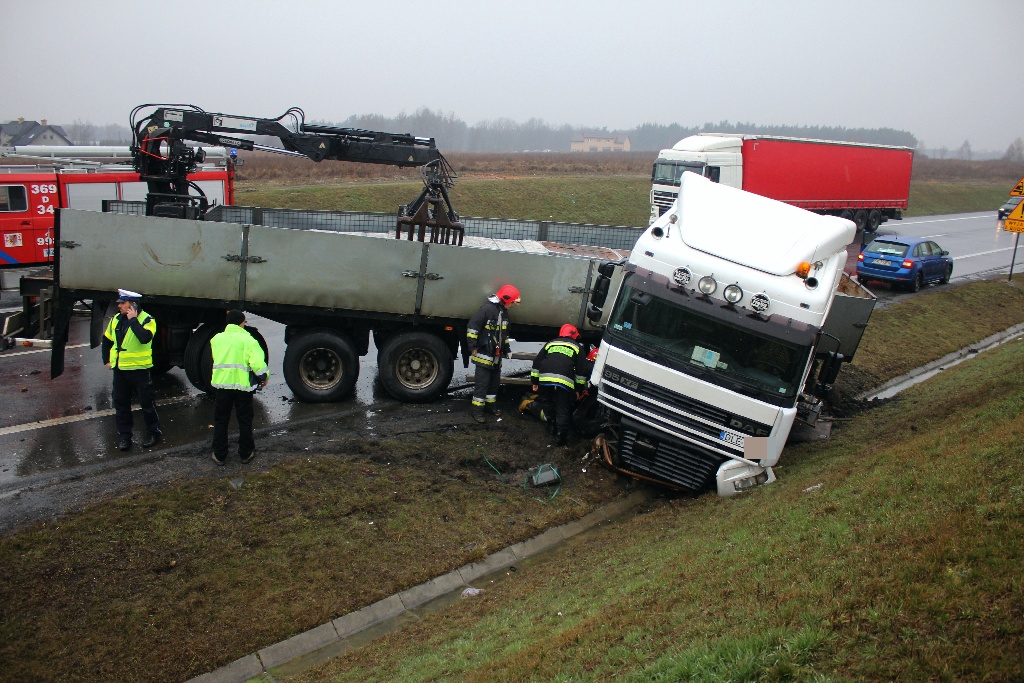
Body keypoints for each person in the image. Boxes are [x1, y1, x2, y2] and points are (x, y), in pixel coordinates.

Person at [102, 288, 162, 451]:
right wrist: (106, 360)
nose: (119, 306)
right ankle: (124, 436)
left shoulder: (147, 320)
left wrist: (133, 320)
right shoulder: (116, 319)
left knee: (147, 404)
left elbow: (144, 338)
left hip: (140, 370)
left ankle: (153, 433)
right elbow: (106, 339)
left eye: (123, 303)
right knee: (121, 405)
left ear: (133, 305)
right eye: (119, 303)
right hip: (120, 371)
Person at [210, 310, 269, 466]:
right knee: (244, 420)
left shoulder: (216, 339)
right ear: (242, 323)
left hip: (222, 386)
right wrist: (264, 378)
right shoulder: (248, 340)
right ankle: (246, 452)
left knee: (221, 420)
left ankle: (220, 454)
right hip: (243, 388)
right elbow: (257, 364)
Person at [466, 284, 520, 423]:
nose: (514, 305)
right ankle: (477, 411)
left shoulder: (504, 313)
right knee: (482, 384)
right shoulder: (486, 310)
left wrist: (507, 349)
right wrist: (472, 346)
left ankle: (491, 406)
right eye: (513, 302)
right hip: (484, 354)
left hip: (496, 357)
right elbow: (473, 328)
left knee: (494, 384)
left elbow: (504, 335)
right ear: (506, 299)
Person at [529, 324, 589, 445]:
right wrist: (578, 389)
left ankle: (551, 425)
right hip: (565, 380)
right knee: (563, 408)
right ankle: (561, 438)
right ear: (574, 336)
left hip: (545, 377)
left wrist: (535, 382)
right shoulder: (578, 347)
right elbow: (582, 372)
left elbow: (536, 363)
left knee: (547, 402)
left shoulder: (551, 343)